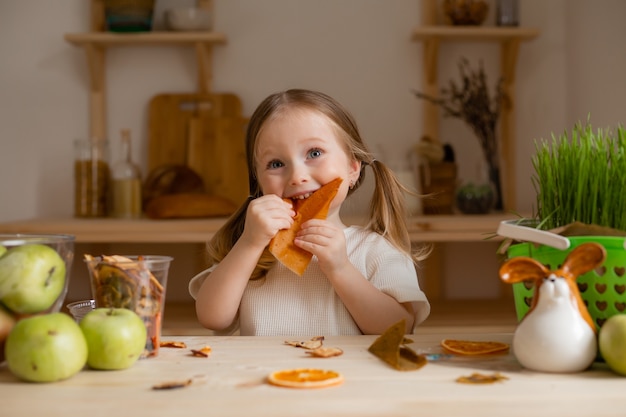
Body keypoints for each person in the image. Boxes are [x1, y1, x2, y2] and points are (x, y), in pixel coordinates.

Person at [189, 88, 430, 336]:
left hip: (346, 375)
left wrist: (341, 269)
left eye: (314, 153)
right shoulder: (251, 247)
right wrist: (249, 243)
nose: (296, 177)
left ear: (352, 168)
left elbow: (400, 329)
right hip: (264, 374)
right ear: (258, 182)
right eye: (276, 164)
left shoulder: (375, 250)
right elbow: (212, 318)